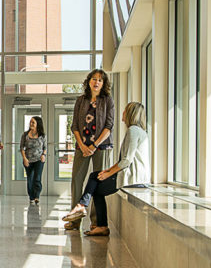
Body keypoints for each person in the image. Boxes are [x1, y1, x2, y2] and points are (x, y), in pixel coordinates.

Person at [63, 101, 150, 236]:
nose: (122, 113)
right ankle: (92, 217)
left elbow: (126, 160)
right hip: (135, 176)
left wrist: (108, 173)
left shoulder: (133, 131)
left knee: (95, 181)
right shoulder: (139, 131)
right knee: (95, 180)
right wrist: (108, 172)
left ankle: (84, 209)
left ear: (130, 114)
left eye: (125, 111)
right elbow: (125, 160)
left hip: (133, 178)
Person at [67, 69, 115, 231]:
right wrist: (82, 145)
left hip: (101, 146)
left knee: (98, 183)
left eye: (100, 80)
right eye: (94, 79)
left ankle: (95, 222)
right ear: (89, 81)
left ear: (104, 84)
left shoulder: (107, 100)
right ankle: (75, 219)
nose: (96, 82)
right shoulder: (81, 101)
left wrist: (94, 146)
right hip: (82, 146)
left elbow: (109, 126)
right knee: (76, 180)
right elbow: (74, 126)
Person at [21, 115, 47, 204]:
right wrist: (24, 159)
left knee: (37, 178)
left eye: (33, 122)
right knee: (30, 178)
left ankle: (37, 196)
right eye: (30, 122)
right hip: (28, 160)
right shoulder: (25, 135)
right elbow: (21, 148)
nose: (31, 124)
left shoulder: (42, 136)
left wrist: (44, 155)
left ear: (37, 124)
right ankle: (31, 196)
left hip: (39, 160)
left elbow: (45, 147)